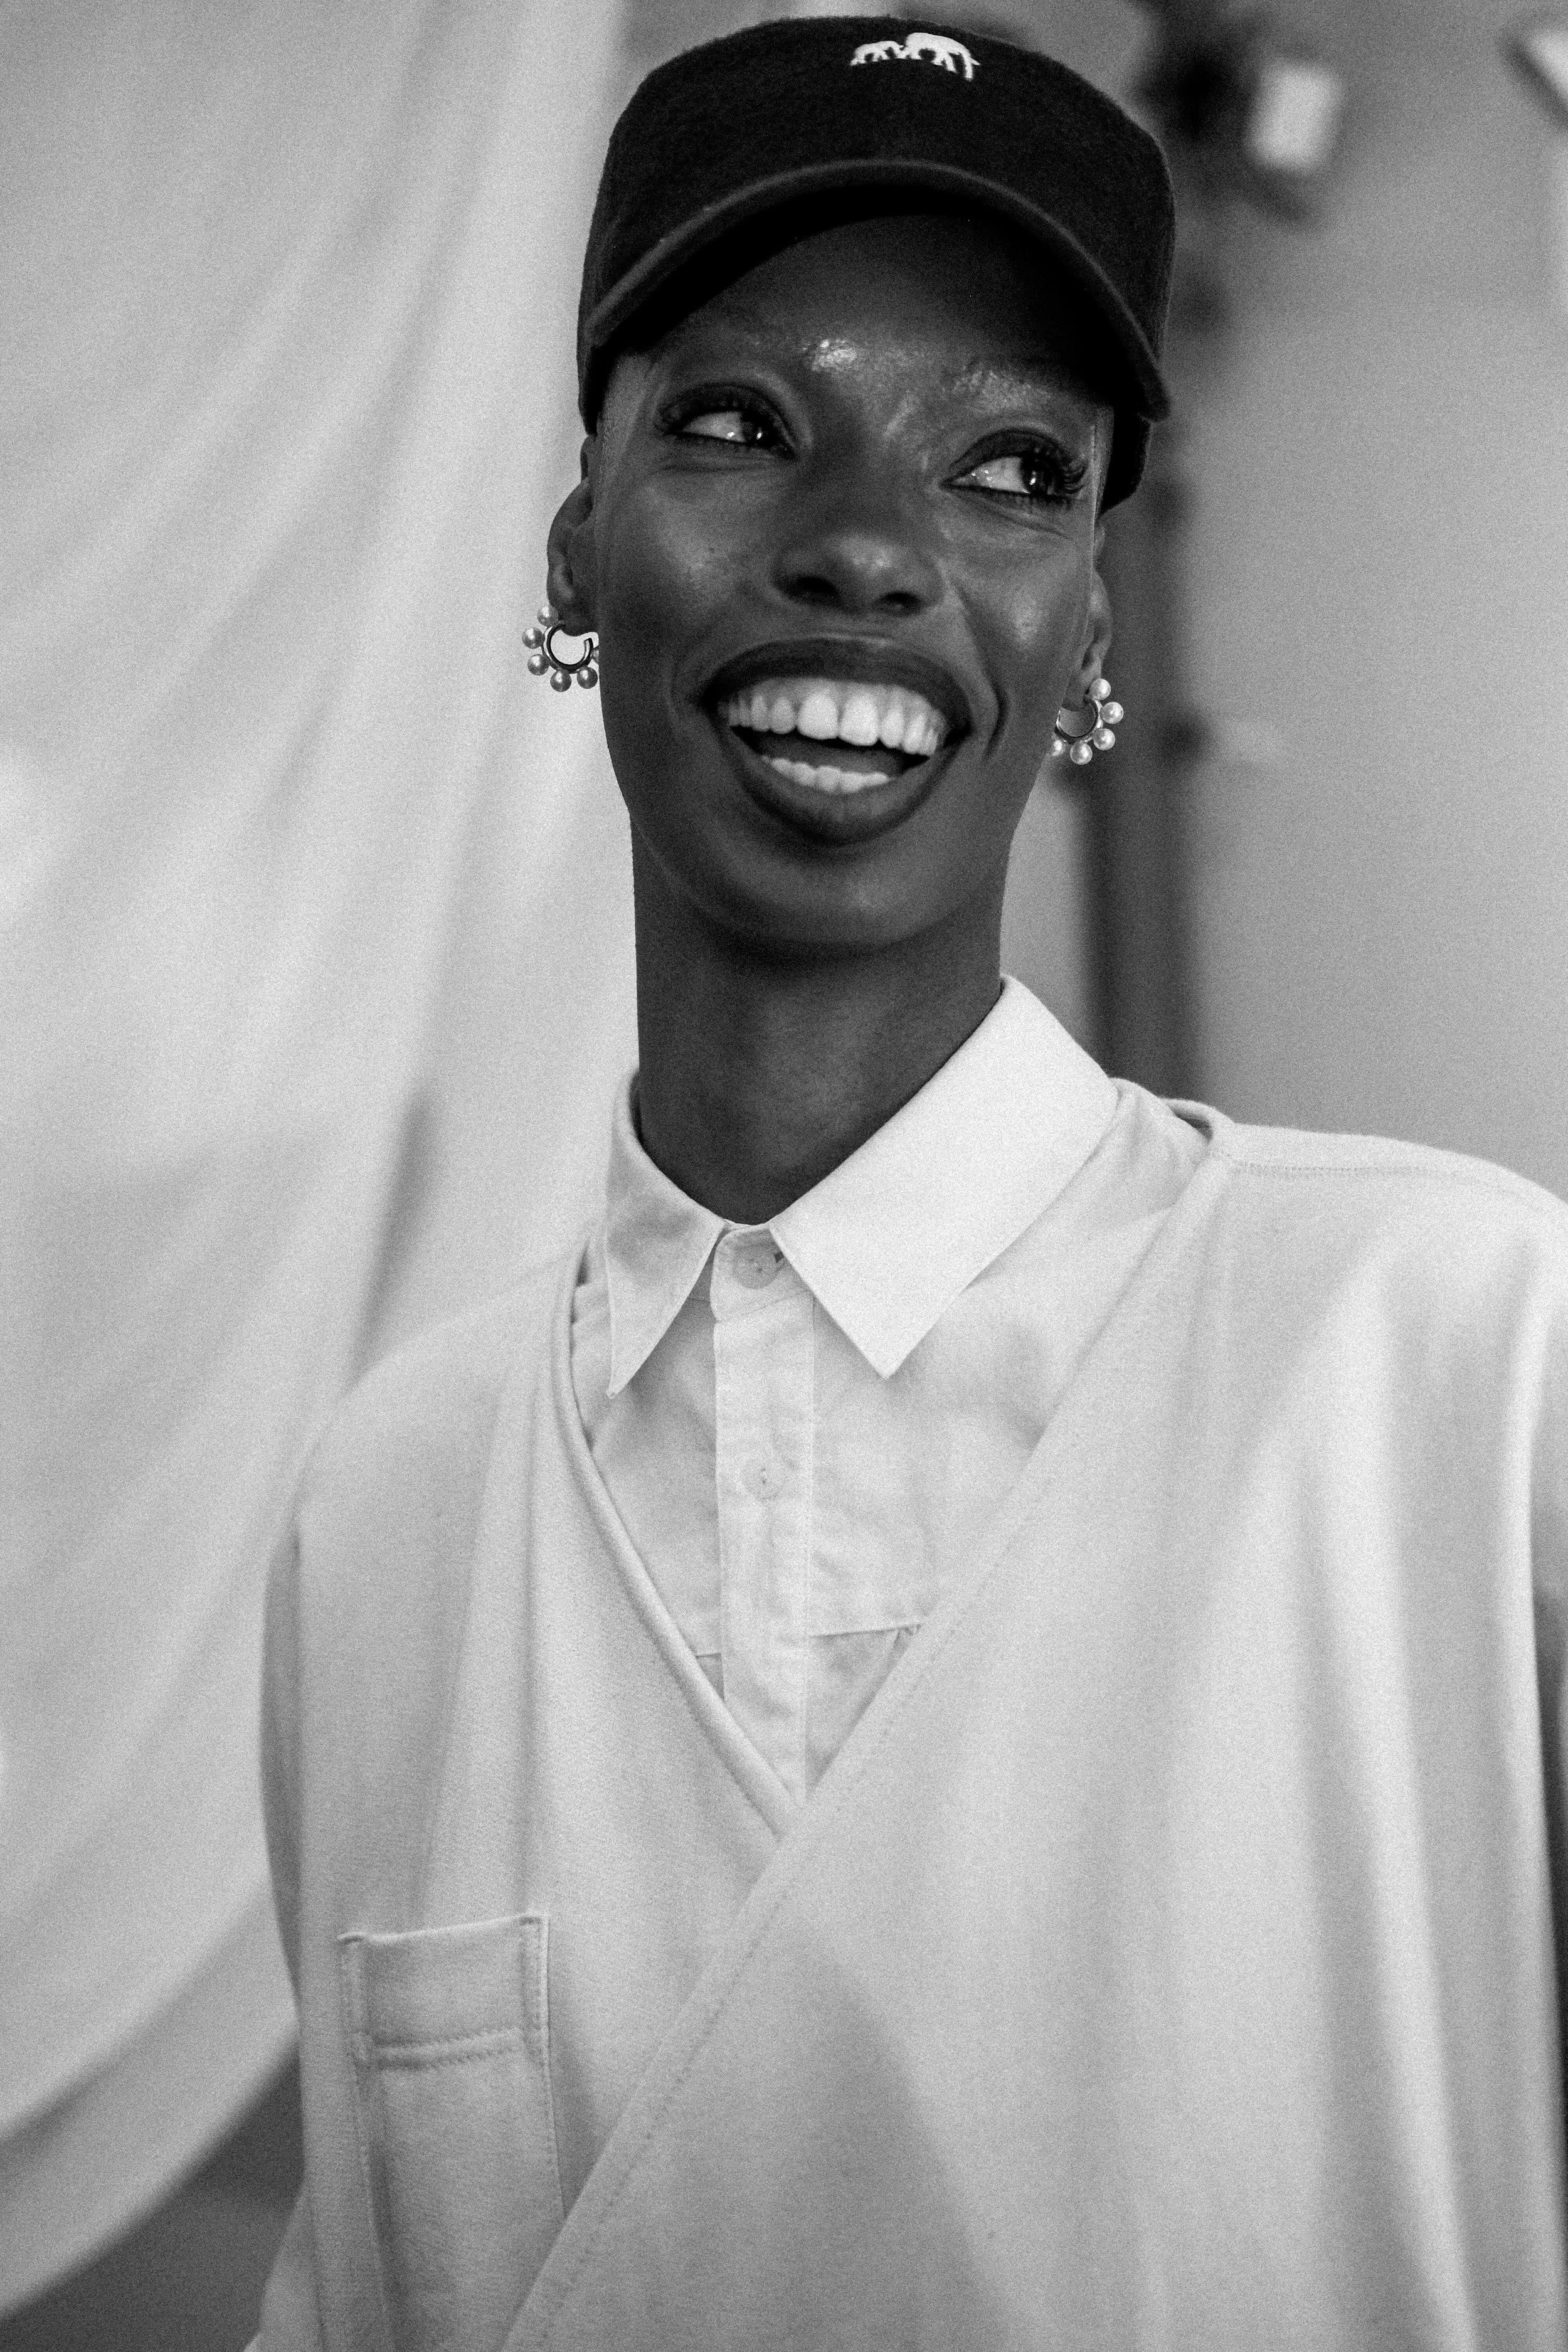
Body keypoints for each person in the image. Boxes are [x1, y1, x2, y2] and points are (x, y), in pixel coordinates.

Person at [253, 18, 1568, 2350]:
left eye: (1007, 466)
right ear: (581, 544)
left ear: (1089, 623)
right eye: (742, 423)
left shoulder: (1457, 1357)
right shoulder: (390, 1512)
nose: (864, 549)